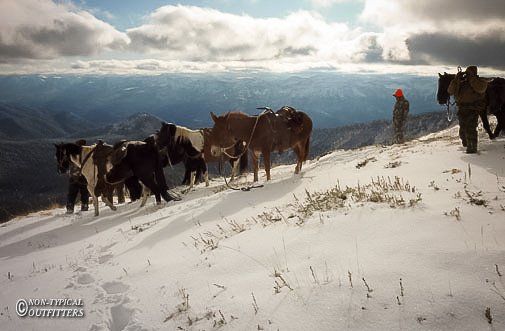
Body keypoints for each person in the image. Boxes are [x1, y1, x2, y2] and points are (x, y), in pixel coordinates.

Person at [447, 66, 488, 154]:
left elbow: (480, 89)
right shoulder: (461, 82)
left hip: (473, 108)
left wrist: (472, 78)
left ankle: (472, 148)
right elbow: (450, 91)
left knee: (471, 128)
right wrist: (456, 79)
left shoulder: (480, 81)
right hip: (462, 108)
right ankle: (466, 143)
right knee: (462, 129)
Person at [66, 139, 90, 214]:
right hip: (84, 176)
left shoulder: (72, 154)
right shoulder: (87, 153)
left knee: (72, 193)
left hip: (73, 176)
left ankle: (70, 207)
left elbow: (67, 163)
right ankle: (84, 205)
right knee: (84, 192)